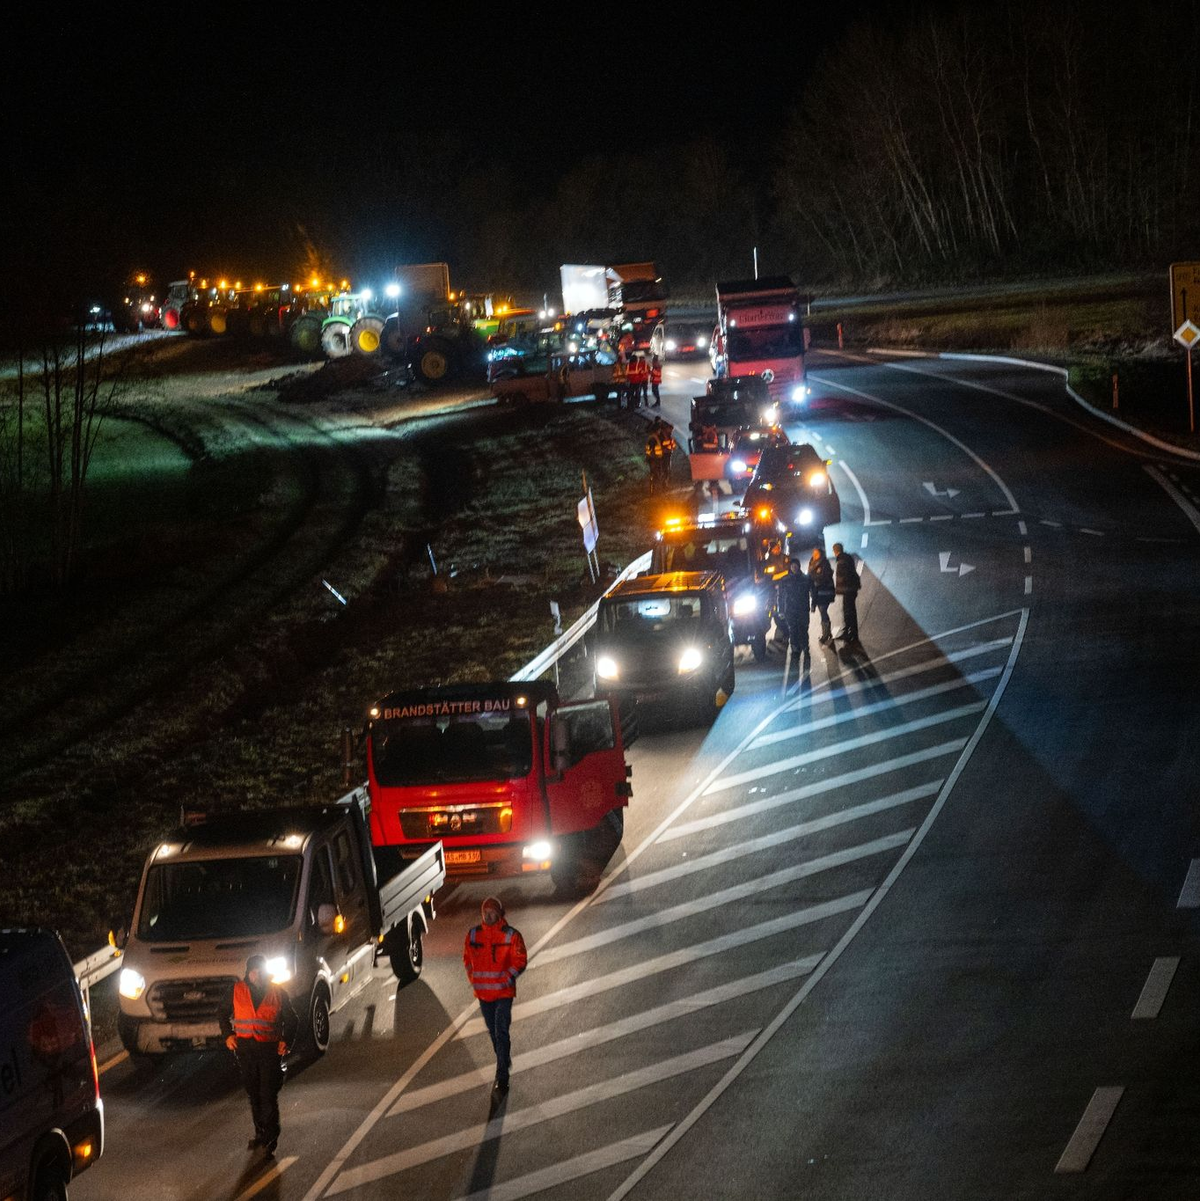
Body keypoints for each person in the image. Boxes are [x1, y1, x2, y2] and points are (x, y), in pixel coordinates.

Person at [220, 954, 298, 1155]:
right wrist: (228, 1036)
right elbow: (222, 1013)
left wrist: (285, 1041)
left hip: (268, 1051)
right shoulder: (235, 991)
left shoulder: (277, 992)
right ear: (248, 973)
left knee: (267, 1093)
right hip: (246, 1051)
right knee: (253, 1093)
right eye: (255, 972)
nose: (258, 976)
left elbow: (292, 1019)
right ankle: (260, 1132)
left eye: (261, 972)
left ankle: (271, 1137)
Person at [463, 896, 527, 1096]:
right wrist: (473, 977)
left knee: (501, 1031)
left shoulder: (511, 935)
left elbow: (520, 960)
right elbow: (466, 959)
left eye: (492, 913)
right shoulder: (473, 935)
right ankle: (503, 1057)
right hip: (483, 994)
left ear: (499, 914)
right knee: (493, 1032)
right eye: (486, 913)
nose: (489, 916)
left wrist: (506, 978)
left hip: (503, 993)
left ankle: (502, 1075)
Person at [777, 557, 813, 654]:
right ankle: (795, 646)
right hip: (790, 609)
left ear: (799, 566)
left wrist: (813, 604)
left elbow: (813, 591)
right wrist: (780, 610)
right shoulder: (784, 580)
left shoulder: (805, 579)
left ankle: (805, 645)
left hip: (803, 609)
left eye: (796, 566)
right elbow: (780, 596)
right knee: (793, 629)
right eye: (792, 566)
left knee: (803, 628)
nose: (794, 568)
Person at [832, 541, 861, 641]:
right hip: (852, 588)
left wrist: (838, 587)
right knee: (850, 610)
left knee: (848, 611)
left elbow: (844, 576)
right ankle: (851, 632)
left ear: (835, 551)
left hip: (848, 589)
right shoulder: (847, 557)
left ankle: (849, 633)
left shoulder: (841, 560)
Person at [808, 545, 836, 644]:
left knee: (823, 610)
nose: (814, 555)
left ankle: (826, 634)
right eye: (814, 553)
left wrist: (816, 579)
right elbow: (810, 576)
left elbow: (825, 576)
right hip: (816, 592)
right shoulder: (811, 563)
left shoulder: (824, 563)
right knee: (822, 611)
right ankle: (827, 632)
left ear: (821, 554)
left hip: (825, 591)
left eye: (817, 553)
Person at [645, 422, 665, 492]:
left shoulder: (653, 437)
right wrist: (654, 458)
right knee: (655, 474)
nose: (660, 431)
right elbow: (652, 450)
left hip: (654, 458)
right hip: (654, 459)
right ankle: (654, 489)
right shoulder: (653, 438)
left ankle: (654, 489)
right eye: (659, 430)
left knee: (655, 473)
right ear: (657, 430)